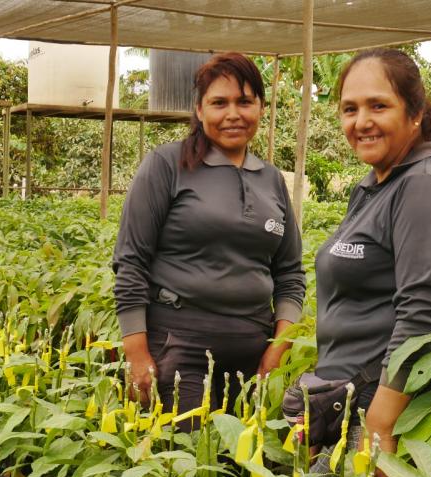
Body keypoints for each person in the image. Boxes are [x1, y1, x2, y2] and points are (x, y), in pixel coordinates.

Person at [112, 52, 306, 429]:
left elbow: (290, 274)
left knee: (244, 471)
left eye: (244, 102)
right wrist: (136, 353)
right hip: (179, 345)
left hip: (255, 350)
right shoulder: (167, 165)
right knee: (186, 465)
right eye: (219, 103)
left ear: (261, 108)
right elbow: (131, 261)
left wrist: (279, 348)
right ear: (199, 110)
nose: (233, 113)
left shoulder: (271, 180)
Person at [312, 48, 431, 477]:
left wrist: (380, 426)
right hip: (348, 398)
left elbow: (425, 313)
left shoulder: (423, 187)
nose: (361, 121)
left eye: (378, 105)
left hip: (381, 406)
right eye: (350, 109)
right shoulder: (377, 184)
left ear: (416, 113)